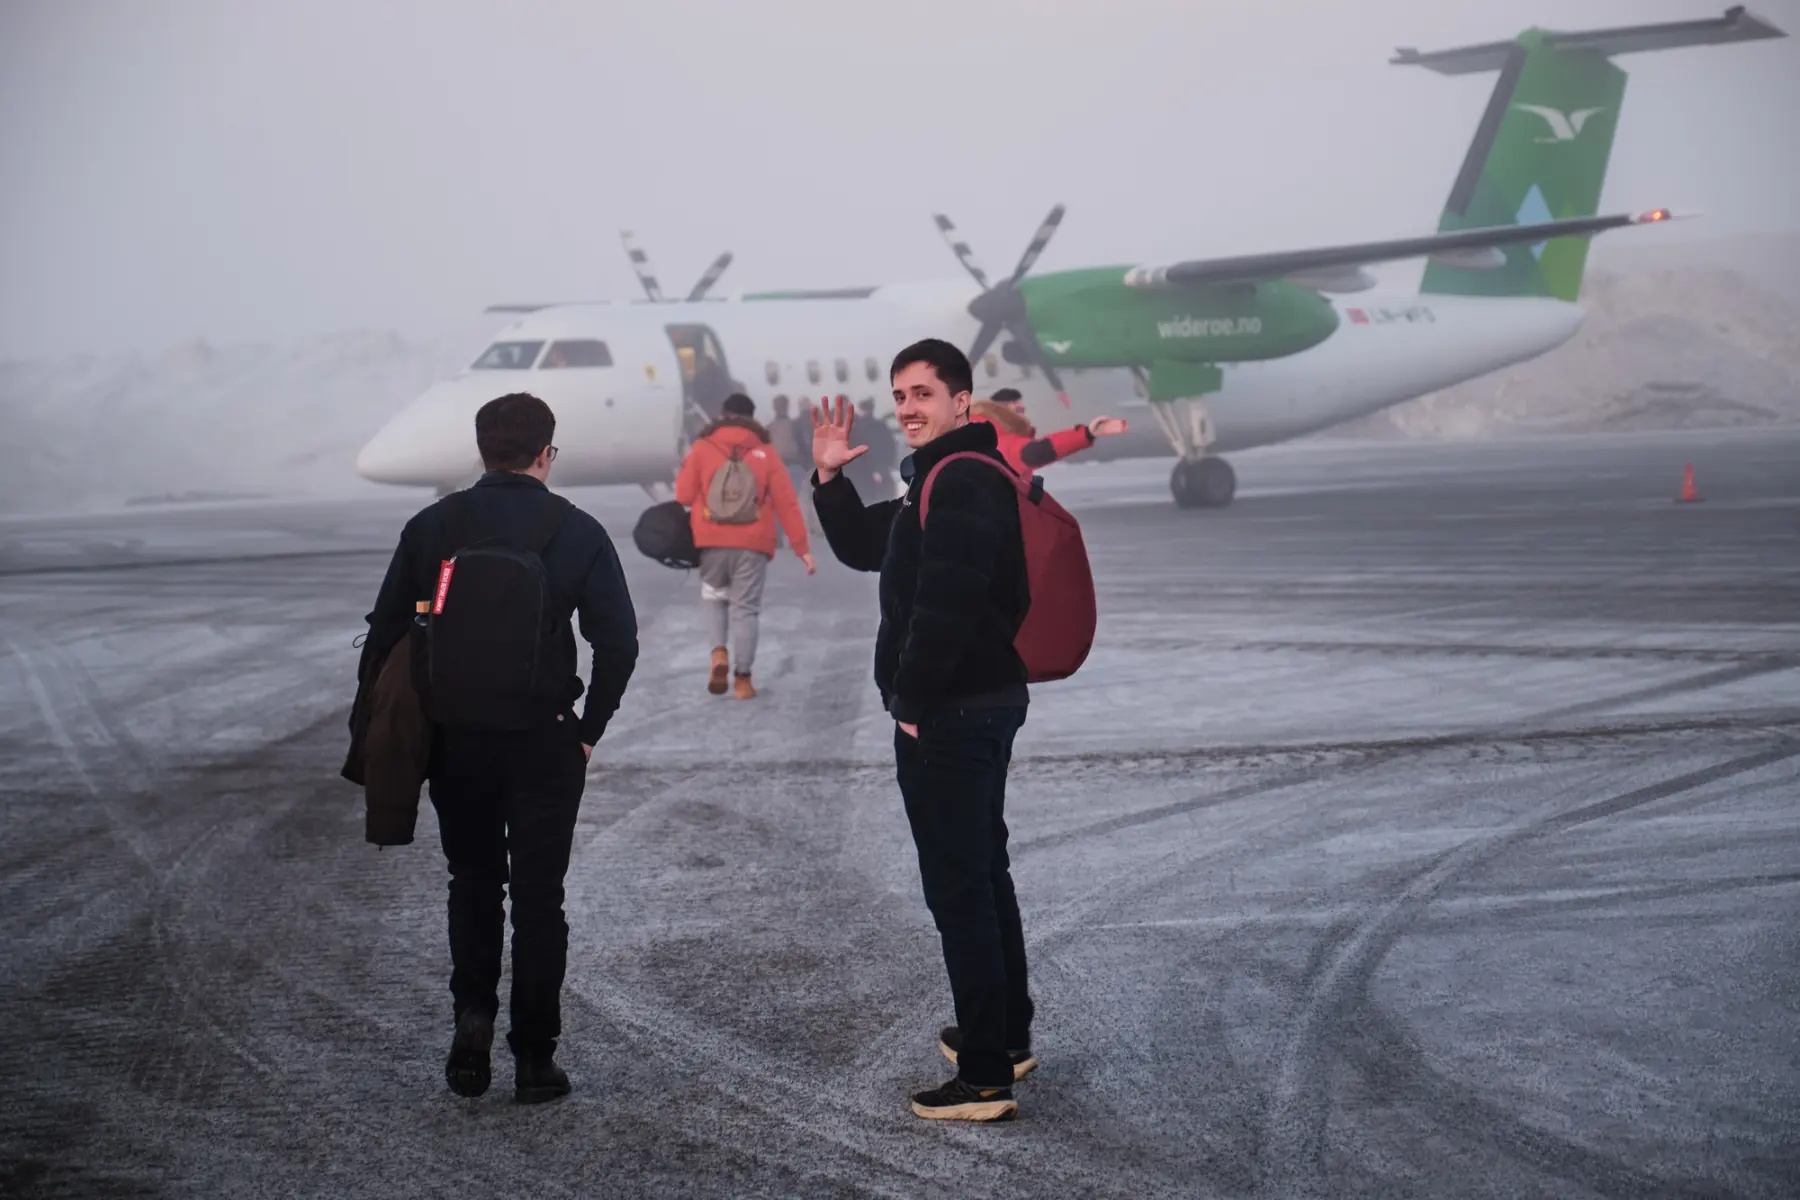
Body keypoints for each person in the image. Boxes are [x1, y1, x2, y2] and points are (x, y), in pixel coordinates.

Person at [361, 392, 639, 1105]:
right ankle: (535, 1059)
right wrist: (587, 730)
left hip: (457, 742)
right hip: (544, 740)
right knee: (540, 899)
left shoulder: (432, 525)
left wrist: (399, 729)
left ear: (480, 451)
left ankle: (472, 1015)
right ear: (547, 453)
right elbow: (618, 642)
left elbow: (386, 634)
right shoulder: (575, 531)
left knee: (474, 884)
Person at [810, 339, 1035, 1123]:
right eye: (900, 394)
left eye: (923, 394)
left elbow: (949, 601)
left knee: (959, 887)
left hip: (954, 711)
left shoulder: (963, 478)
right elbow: (868, 548)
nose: (907, 408)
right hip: (976, 702)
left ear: (962, 402)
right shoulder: (938, 479)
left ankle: (982, 1078)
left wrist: (910, 700)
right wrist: (832, 479)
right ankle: (1004, 1037)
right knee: (982, 871)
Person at [675, 392, 814, 698]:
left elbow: (683, 495)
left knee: (713, 597)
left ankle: (719, 653)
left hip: (710, 538)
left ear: (723, 415)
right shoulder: (765, 451)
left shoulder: (702, 447)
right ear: (752, 419)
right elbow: (787, 503)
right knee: (745, 609)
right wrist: (802, 548)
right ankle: (742, 680)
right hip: (753, 541)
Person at [975, 387, 1127, 478]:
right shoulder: (996, 442)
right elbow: (1035, 452)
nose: (1022, 409)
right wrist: (1085, 434)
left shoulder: (969, 431)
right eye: (1016, 407)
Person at [842, 397, 899, 498]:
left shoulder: (856, 429)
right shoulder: (881, 426)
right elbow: (890, 447)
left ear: (861, 410)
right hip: (881, 469)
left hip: (863, 473)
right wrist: (885, 466)